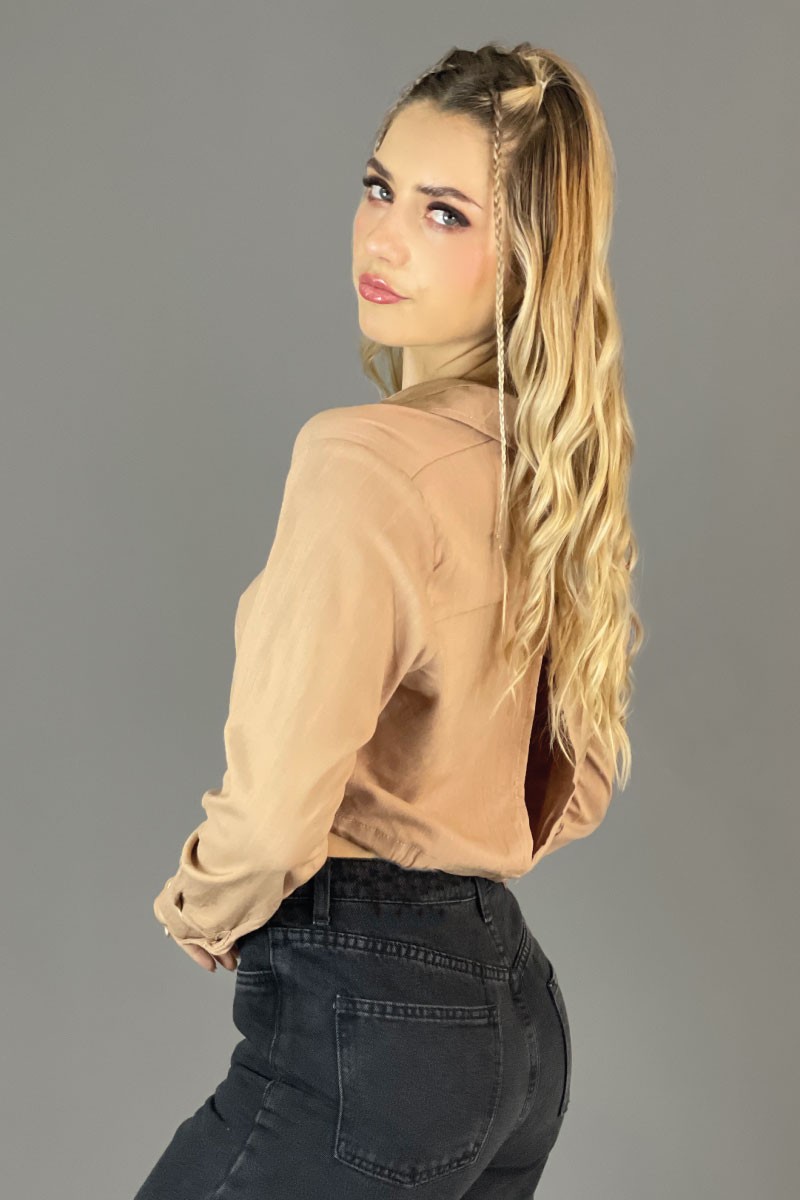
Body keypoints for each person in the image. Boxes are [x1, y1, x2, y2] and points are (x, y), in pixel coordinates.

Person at [135, 39, 642, 1199]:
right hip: (513, 1021)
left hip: (366, 1020)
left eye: (444, 212)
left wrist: (200, 908)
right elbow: (581, 783)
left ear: (527, 253)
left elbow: (273, 821)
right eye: (378, 189)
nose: (384, 236)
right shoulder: (549, 469)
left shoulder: (362, 459)